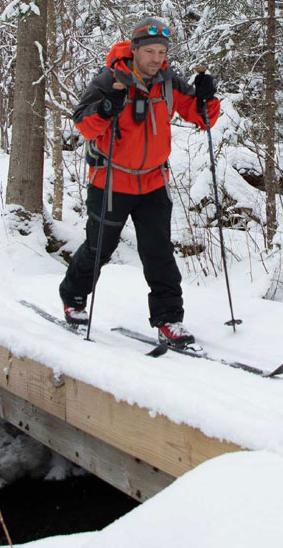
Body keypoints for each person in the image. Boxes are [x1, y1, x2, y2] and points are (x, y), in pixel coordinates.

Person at [59, 18, 220, 347]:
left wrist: (207, 98)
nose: (156, 59)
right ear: (134, 50)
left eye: (162, 52)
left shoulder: (169, 81)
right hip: (111, 182)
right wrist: (107, 108)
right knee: (99, 248)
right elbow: (84, 124)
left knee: (159, 252)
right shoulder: (110, 79)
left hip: (153, 183)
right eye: (149, 51)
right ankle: (73, 297)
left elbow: (203, 118)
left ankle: (169, 319)